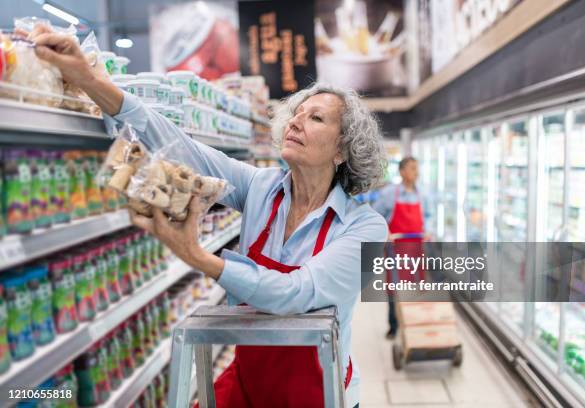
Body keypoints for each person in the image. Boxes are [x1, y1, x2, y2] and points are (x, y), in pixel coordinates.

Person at [25, 26, 388, 408]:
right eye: (295, 115)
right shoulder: (261, 188)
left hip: (319, 393)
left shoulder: (364, 228)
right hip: (250, 381)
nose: (296, 122)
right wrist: (90, 80)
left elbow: (297, 294)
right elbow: (182, 148)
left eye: (316, 119)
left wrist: (199, 257)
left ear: (343, 150)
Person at [372, 157, 429, 339]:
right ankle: (393, 325)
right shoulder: (390, 193)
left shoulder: (422, 195)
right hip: (395, 249)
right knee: (394, 287)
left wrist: (428, 231)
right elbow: (375, 216)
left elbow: (428, 216)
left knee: (416, 286)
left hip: (416, 248)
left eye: (417, 168)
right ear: (402, 171)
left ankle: (414, 322)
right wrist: (385, 232)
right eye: (413, 168)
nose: (416, 172)